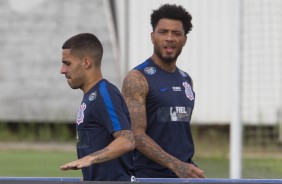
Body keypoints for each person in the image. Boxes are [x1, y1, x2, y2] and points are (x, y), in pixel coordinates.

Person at [122, 4, 205, 178]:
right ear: (152, 37)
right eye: (163, 32)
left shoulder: (186, 80)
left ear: (184, 39)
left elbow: (176, 132)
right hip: (147, 177)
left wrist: (185, 164)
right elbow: (135, 135)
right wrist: (175, 164)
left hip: (182, 175)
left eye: (176, 33)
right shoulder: (137, 78)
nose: (169, 38)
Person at [59, 33, 135, 181]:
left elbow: (127, 140)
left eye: (67, 63)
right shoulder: (91, 96)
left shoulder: (105, 94)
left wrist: (90, 159)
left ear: (86, 62)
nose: (62, 70)